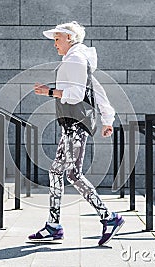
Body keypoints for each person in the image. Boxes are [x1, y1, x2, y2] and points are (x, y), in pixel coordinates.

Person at [28, 21, 124, 246]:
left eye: (57, 39)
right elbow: (97, 91)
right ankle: (53, 225)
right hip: (71, 125)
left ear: (70, 38)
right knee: (55, 172)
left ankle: (109, 218)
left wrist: (49, 91)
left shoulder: (76, 59)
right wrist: (107, 119)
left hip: (75, 125)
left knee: (72, 174)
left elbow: (77, 94)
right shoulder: (78, 59)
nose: (54, 44)